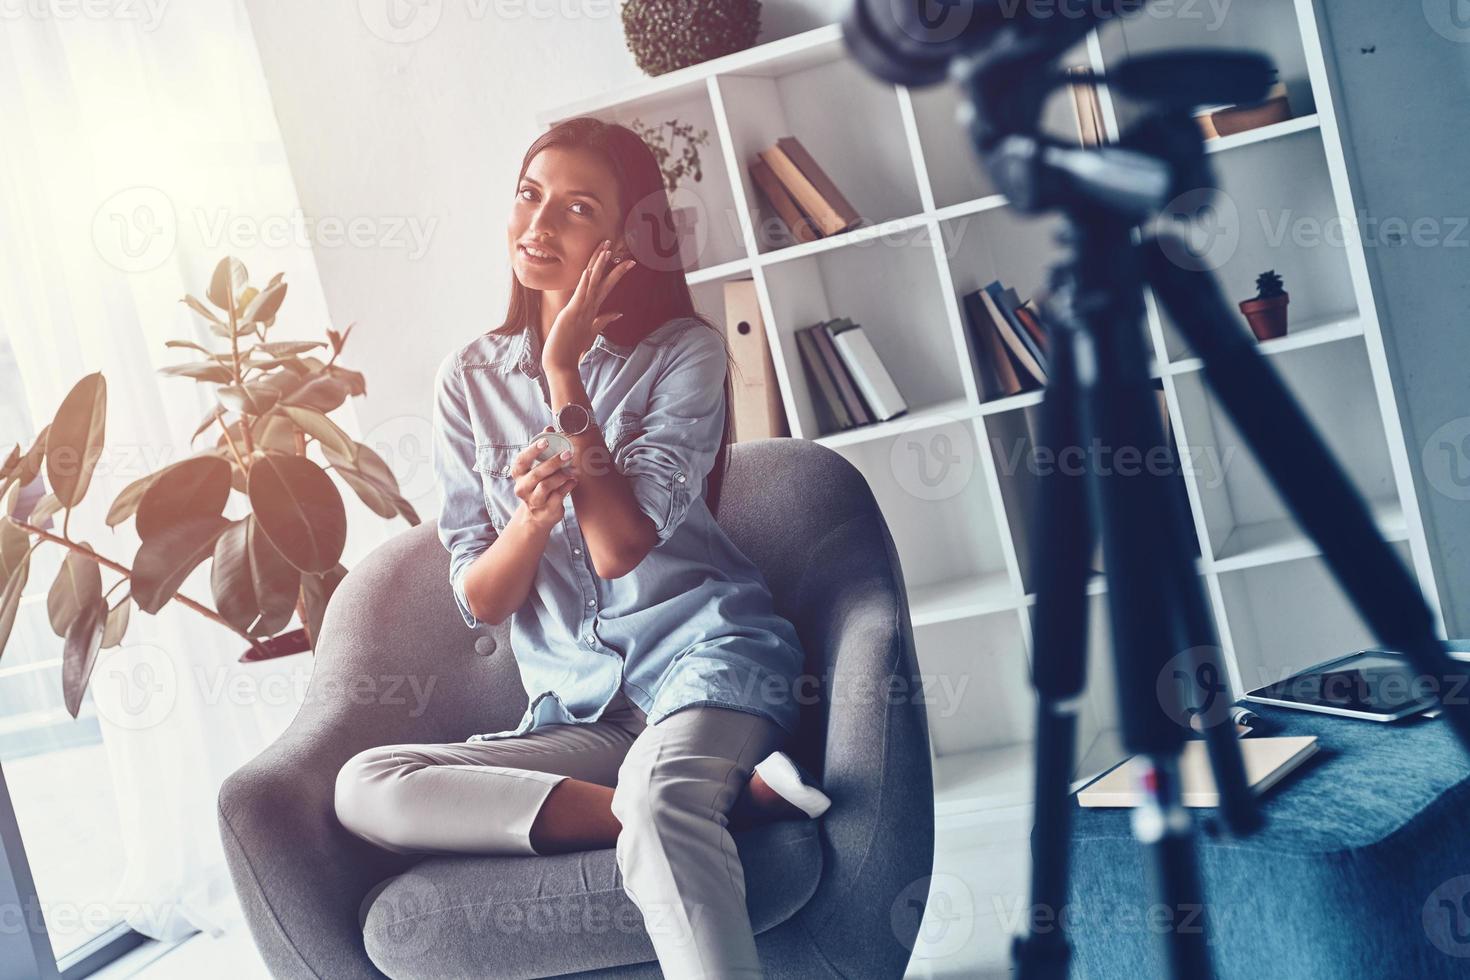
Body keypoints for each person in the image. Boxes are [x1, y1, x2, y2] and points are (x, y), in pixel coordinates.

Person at [334, 116, 830, 978]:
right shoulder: (468, 380)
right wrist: (528, 521)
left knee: (664, 796)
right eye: (529, 197)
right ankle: (729, 809)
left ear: (626, 237)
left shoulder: (686, 353)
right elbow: (480, 600)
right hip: (580, 712)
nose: (537, 226)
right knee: (366, 785)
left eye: (574, 209)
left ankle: (678, 806)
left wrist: (565, 376)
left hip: (705, 662)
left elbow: (619, 548)